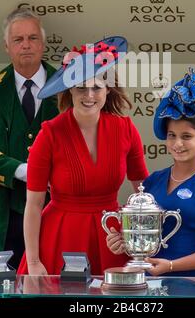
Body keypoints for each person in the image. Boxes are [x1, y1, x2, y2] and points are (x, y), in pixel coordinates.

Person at [17, 36, 149, 276]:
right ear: (70, 89)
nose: (89, 95)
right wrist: (34, 262)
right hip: (58, 240)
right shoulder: (49, 134)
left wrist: (137, 241)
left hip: (113, 239)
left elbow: (144, 193)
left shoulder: (126, 129)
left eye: (97, 87)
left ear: (108, 89)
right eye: (81, 87)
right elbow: (34, 206)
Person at [107, 68, 195, 277]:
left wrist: (171, 265)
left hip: (194, 287)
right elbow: (140, 236)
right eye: (172, 135)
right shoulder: (152, 181)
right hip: (151, 285)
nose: (177, 144)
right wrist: (120, 240)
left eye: (186, 136)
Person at [0, 9, 59, 275]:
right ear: (6, 47)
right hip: (0, 211)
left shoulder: (67, 88)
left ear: (42, 44)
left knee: (52, 286)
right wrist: (22, 171)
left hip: (51, 207)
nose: (26, 45)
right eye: (18, 40)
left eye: (32, 38)